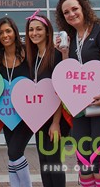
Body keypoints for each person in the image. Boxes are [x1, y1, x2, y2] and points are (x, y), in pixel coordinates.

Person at [55, 0, 100, 187]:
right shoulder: (70, 38)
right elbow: (68, 73)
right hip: (79, 108)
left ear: (84, 8)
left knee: (98, 160)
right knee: (83, 161)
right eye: (66, 12)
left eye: (74, 9)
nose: (71, 14)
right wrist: (64, 53)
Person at [25, 10, 69, 187]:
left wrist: (56, 122)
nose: (34, 33)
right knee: (44, 160)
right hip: (40, 118)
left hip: (55, 119)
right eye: (31, 29)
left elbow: (59, 91)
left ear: (47, 31)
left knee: (53, 161)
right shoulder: (33, 56)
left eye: (38, 29)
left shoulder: (56, 54)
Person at [0, 16, 33, 187]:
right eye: (1, 32)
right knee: (12, 154)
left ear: (15, 32)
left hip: (29, 113)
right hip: (8, 114)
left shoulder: (29, 52)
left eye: (8, 31)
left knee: (15, 151)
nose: (5, 35)